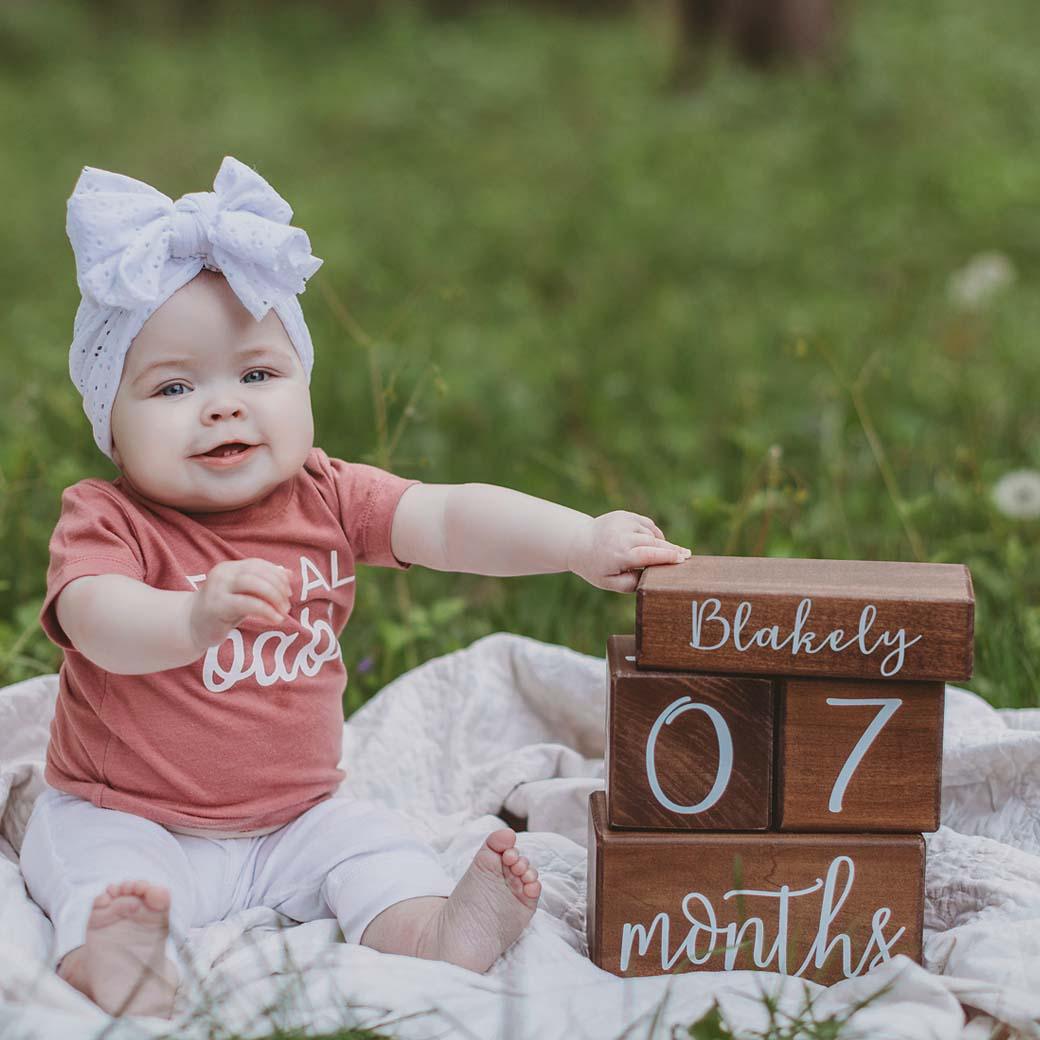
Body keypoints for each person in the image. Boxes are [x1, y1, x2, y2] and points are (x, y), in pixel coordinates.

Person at [19, 156, 692, 1019]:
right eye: (175, 387)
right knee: (99, 871)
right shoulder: (106, 518)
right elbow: (95, 617)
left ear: (302, 383)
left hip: (296, 815)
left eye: (257, 375)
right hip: (132, 810)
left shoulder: (327, 496)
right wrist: (190, 616)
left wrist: (575, 539)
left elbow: (449, 519)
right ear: (110, 420)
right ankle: (119, 956)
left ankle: (438, 930)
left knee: (373, 845)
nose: (224, 407)